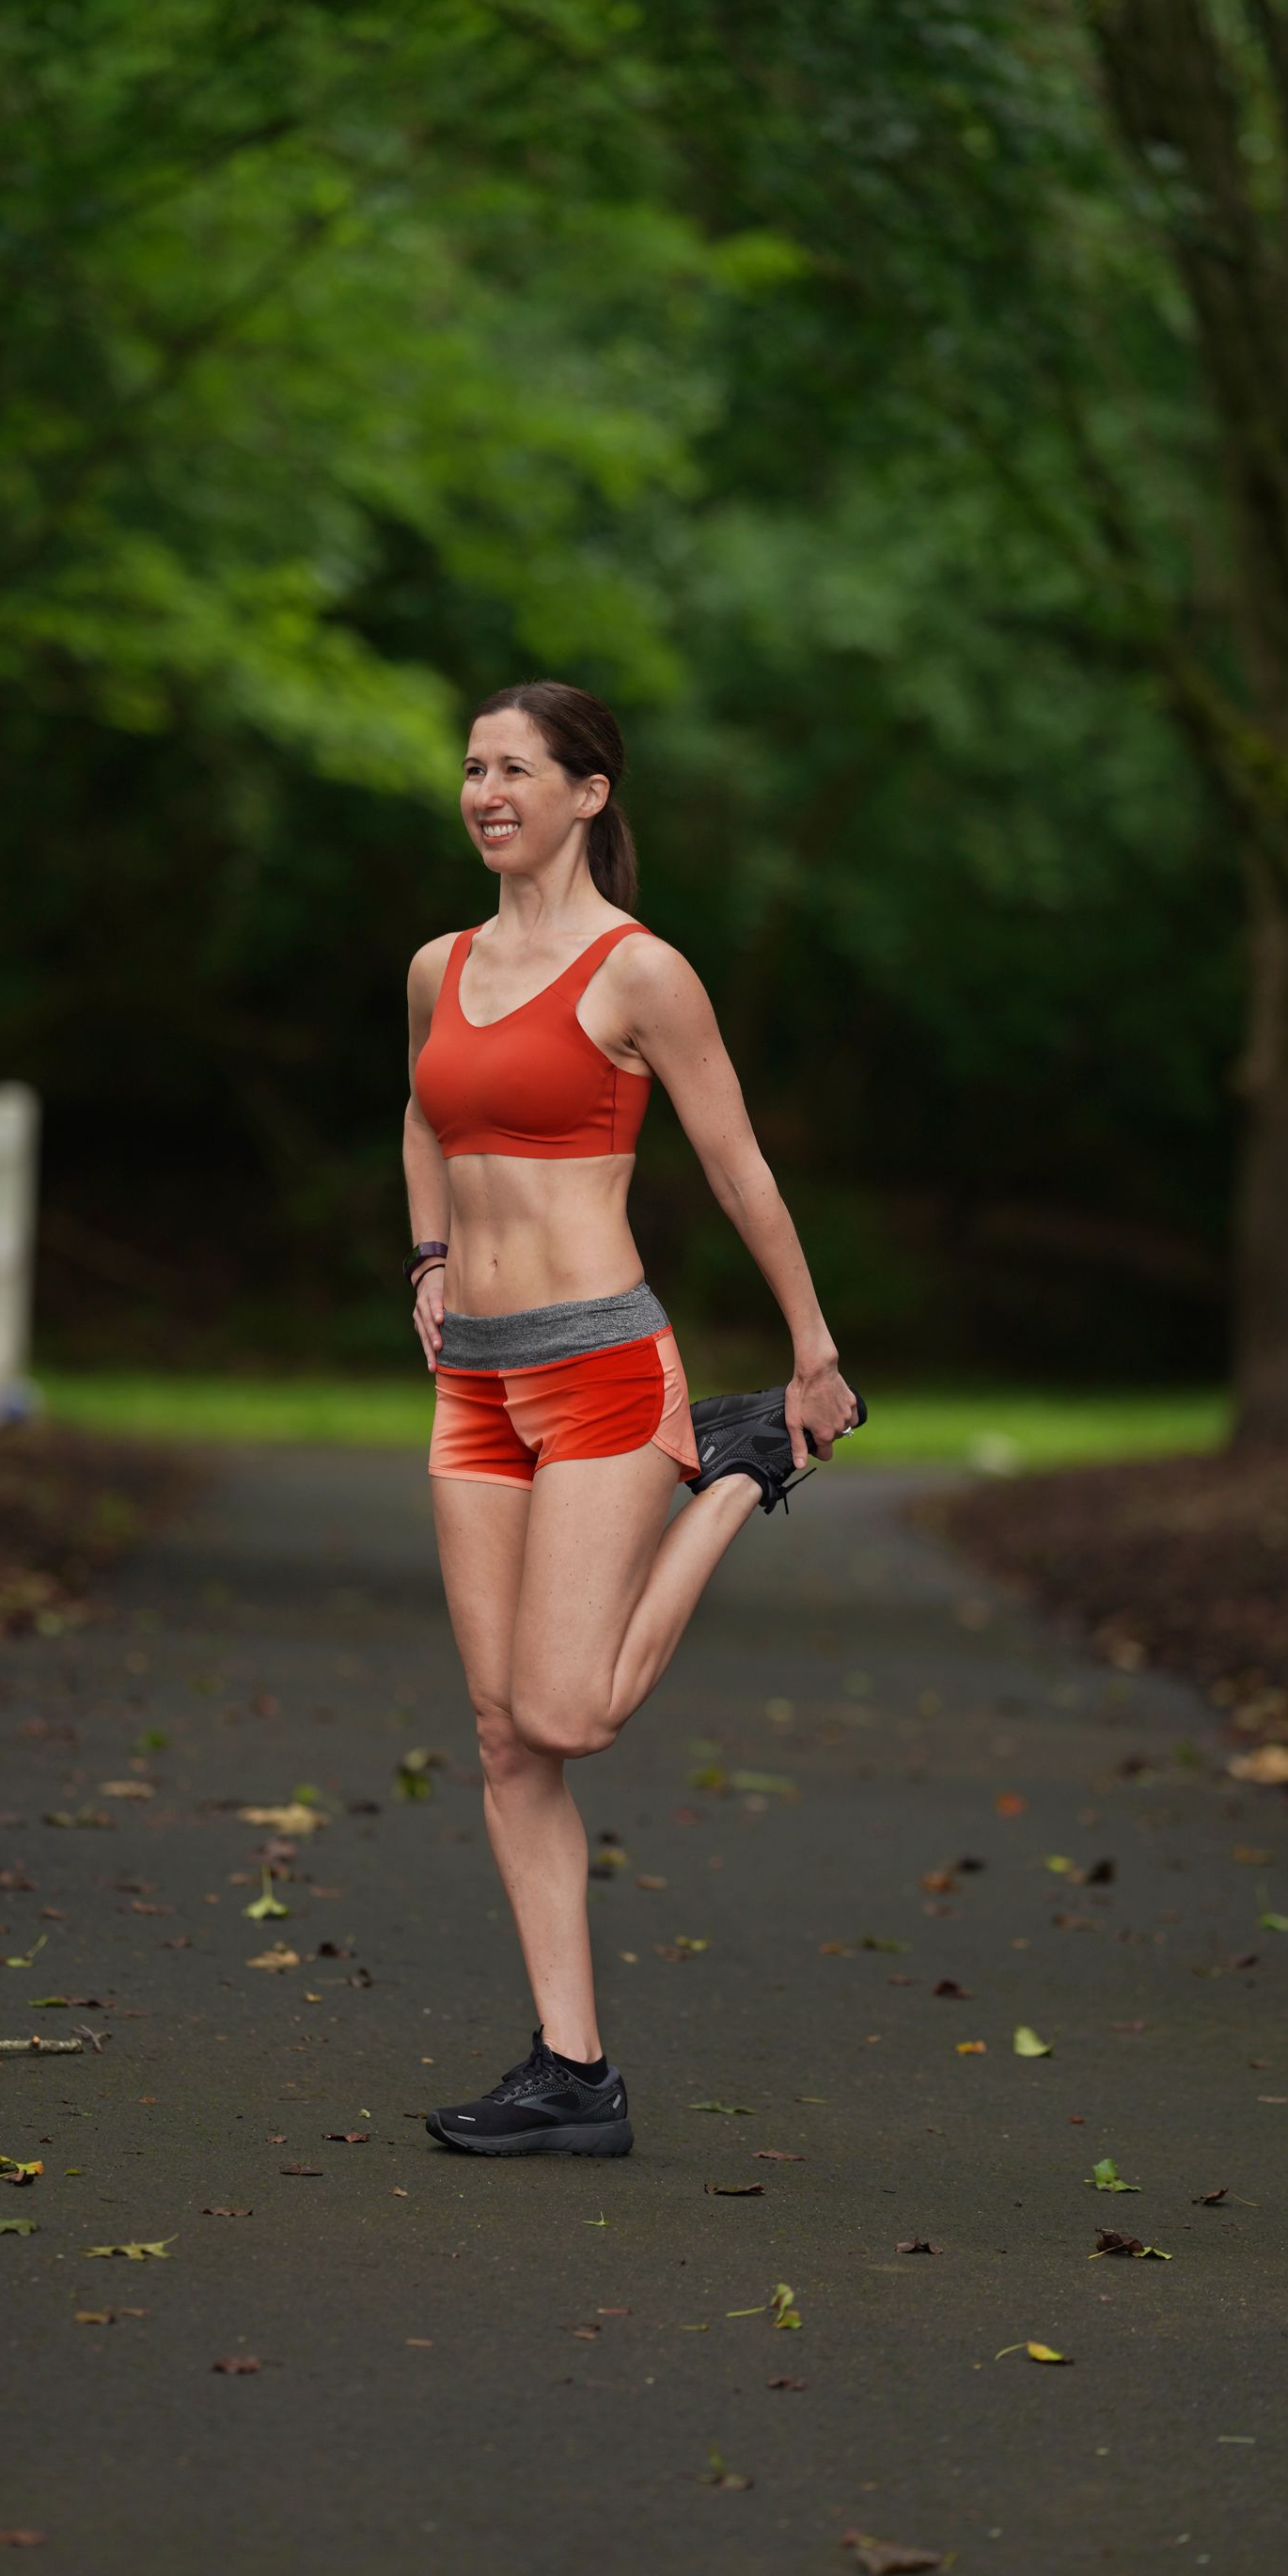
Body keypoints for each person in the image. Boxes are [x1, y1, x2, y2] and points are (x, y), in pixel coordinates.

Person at [403, 680, 862, 2158]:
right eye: (473, 767)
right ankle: (572, 2067)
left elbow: (737, 1169)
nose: (487, 791)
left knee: (569, 1711)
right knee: (499, 1735)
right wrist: (424, 1259)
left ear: (590, 792)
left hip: (600, 1366)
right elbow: (421, 1117)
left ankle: (737, 1472)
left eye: (517, 768)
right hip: (472, 1376)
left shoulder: (640, 973)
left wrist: (811, 1353)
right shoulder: (440, 963)